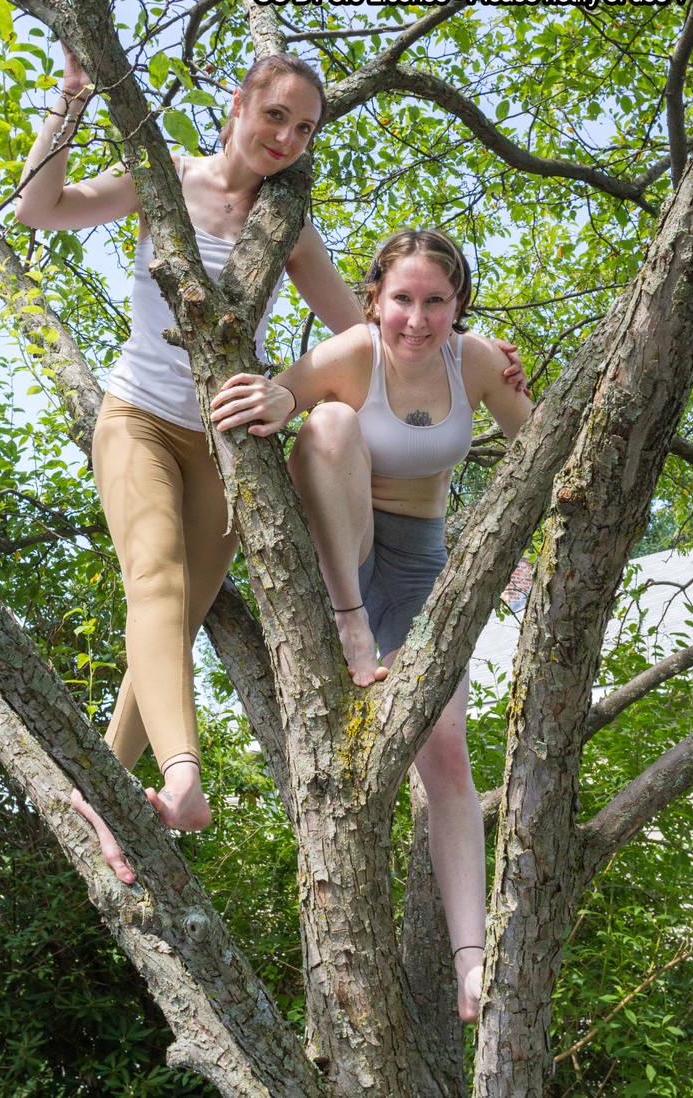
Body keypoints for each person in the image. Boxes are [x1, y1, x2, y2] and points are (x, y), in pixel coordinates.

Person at [16, 48, 527, 890]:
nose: (285, 136)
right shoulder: (164, 177)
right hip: (141, 418)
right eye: (275, 114)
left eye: (304, 127)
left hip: (229, 442)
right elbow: (41, 207)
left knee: (177, 623)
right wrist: (70, 99)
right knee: (157, 584)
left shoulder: (286, 228)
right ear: (238, 102)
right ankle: (183, 776)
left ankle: (101, 794)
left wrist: (474, 355)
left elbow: (374, 341)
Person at [210, 228, 532, 1020]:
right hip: (340, 556)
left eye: (435, 302)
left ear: (459, 306)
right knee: (328, 425)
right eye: (401, 299)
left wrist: (523, 545)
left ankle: (471, 961)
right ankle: (353, 626)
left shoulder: (479, 361)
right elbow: (278, 402)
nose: (416, 320)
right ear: (374, 300)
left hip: (424, 566)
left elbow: (546, 445)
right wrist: (285, 397)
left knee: (447, 750)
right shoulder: (353, 352)